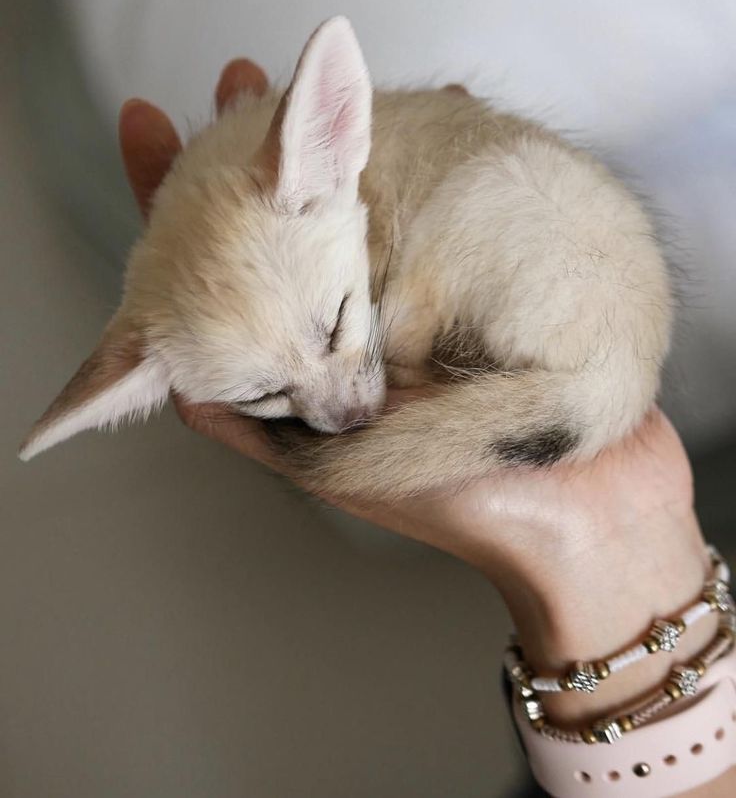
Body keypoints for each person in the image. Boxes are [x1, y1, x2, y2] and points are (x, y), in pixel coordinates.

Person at [118, 59, 735, 797]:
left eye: (336, 330)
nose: (341, 414)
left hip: (565, 291)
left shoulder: (324, 190)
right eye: (270, 393)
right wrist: (599, 543)